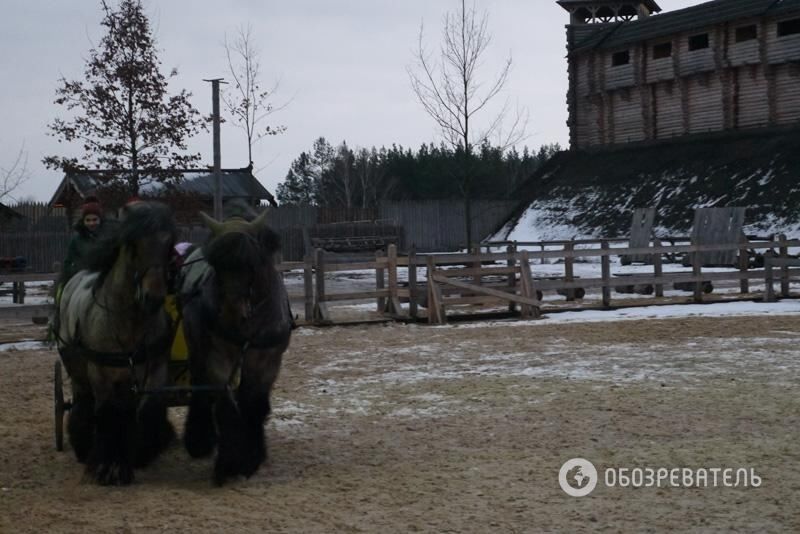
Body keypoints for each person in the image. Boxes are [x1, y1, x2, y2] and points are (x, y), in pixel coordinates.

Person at [60, 196, 104, 286]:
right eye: (88, 220)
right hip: (81, 278)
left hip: (103, 277)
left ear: (100, 220)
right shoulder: (77, 239)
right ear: (83, 221)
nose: (91, 223)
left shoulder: (108, 237)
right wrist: (76, 270)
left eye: (95, 220)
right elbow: (67, 262)